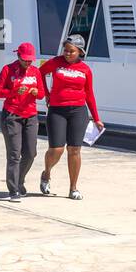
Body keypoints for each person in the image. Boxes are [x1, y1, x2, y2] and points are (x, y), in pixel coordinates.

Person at [38, 33, 102, 200]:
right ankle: (46, 173)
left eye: (71, 51)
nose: (67, 54)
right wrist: (46, 94)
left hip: (78, 111)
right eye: (65, 50)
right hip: (57, 110)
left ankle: (73, 188)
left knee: (74, 150)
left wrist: (96, 118)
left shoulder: (85, 69)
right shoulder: (55, 62)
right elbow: (40, 73)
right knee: (57, 149)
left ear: (80, 52)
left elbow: (89, 94)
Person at [0, 41, 45, 201]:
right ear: (18, 56)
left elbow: (42, 94)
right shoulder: (8, 70)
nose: (28, 62)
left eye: (30, 60)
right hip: (12, 115)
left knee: (30, 153)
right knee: (14, 154)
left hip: (30, 115)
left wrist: (36, 92)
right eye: (25, 60)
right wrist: (14, 91)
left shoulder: (35, 72)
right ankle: (13, 189)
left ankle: (20, 179)